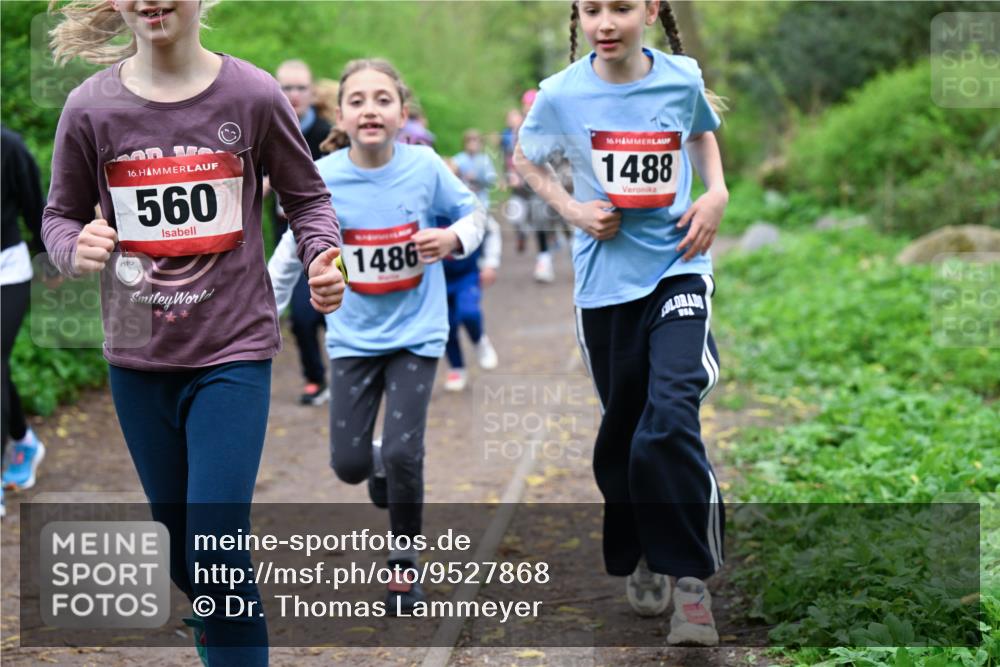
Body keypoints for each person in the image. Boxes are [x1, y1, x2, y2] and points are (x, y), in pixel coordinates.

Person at [44, 2, 345, 665]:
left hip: (231, 349)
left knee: (215, 547)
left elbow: (309, 198)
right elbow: (59, 215)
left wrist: (325, 255)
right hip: (136, 352)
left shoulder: (252, 93)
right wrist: (75, 246)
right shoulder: (90, 108)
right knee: (180, 545)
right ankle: (218, 623)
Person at [514, 0, 728, 646]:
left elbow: (700, 132)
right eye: (593, 8)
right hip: (604, 287)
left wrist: (714, 193)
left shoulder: (680, 76)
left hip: (678, 270)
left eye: (622, 7)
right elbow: (525, 161)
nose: (607, 21)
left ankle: (691, 585)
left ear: (651, 9)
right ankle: (641, 545)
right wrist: (573, 209)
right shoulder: (559, 94)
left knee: (670, 413)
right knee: (627, 433)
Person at [268, 58, 484, 613]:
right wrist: (262, 314)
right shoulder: (322, 177)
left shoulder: (425, 165)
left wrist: (454, 238)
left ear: (402, 113)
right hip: (353, 337)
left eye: (383, 99)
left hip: (417, 332)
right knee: (350, 464)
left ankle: (404, 563)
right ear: (339, 113)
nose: (370, 109)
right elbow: (291, 251)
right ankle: (380, 457)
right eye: (358, 100)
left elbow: (476, 214)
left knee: (409, 451)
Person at [270, 59, 334, 406]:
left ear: (311, 92)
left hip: (332, 239)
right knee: (302, 317)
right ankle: (315, 379)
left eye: (299, 88)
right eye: (286, 88)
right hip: (286, 240)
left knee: (338, 310)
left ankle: (354, 373)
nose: (293, 95)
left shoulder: (326, 134)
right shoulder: (267, 127)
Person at [1, 127, 48, 517]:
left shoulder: (9, 145)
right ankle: (21, 438)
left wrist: (48, 254)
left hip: (7, 272)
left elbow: (36, 204)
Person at [443, 130, 501, 391]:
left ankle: (479, 340)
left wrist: (490, 263)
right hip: (437, 278)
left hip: (466, 272)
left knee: (469, 312)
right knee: (446, 326)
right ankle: (456, 367)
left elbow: (492, 231)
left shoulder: (468, 206)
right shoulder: (425, 209)